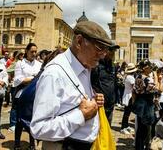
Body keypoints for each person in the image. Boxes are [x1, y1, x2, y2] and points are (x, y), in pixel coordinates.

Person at [30, 20, 111, 150]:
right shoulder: (54, 74)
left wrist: (94, 100)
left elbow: (72, 101)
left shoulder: (85, 66)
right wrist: (82, 115)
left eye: (106, 50)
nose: (103, 55)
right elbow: (39, 129)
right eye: (99, 48)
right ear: (79, 42)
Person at [13, 43, 41, 150]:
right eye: (32, 51)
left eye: (35, 52)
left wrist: (30, 79)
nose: (34, 54)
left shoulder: (39, 64)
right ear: (26, 51)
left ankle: (32, 144)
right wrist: (33, 78)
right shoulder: (20, 64)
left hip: (35, 96)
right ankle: (16, 143)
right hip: (22, 95)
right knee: (20, 120)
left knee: (33, 120)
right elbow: (18, 79)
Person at [91, 43, 120, 124]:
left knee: (107, 127)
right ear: (104, 51)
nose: (113, 53)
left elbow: (114, 83)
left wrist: (114, 99)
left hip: (110, 104)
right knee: (98, 129)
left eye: (114, 51)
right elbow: (91, 83)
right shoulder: (96, 65)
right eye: (110, 50)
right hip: (99, 104)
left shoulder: (113, 66)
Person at [120, 63, 137, 135]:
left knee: (128, 112)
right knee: (126, 113)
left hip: (128, 95)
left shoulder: (129, 76)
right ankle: (123, 127)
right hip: (129, 96)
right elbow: (134, 87)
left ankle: (126, 125)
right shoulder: (130, 77)